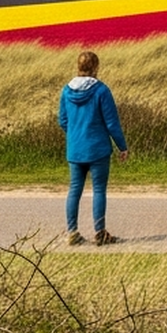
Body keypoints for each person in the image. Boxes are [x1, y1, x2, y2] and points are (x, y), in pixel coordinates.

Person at [58, 50, 129, 245]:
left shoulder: (66, 90)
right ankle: (100, 233)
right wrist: (122, 146)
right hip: (98, 149)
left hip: (75, 149)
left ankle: (72, 232)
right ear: (96, 67)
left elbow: (62, 120)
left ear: (78, 67)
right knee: (99, 190)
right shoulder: (101, 91)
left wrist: (74, 134)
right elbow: (112, 123)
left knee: (74, 190)